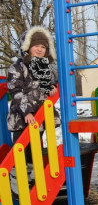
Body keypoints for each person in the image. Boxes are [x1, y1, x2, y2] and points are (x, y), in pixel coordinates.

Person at [7, 26, 61, 185]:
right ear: (28, 47)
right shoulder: (17, 67)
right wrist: (27, 112)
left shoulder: (45, 68)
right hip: (22, 116)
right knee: (21, 146)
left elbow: (51, 83)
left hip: (39, 116)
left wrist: (51, 87)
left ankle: (32, 177)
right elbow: (15, 91)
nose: (39, 49)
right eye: (36, 46)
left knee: (34, 147)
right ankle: (16, 178)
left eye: (43, 47)